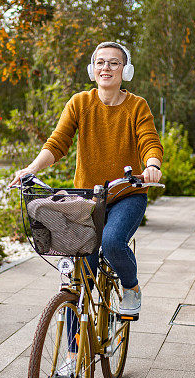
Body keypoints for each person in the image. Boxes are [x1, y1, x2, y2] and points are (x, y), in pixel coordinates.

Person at [9, 41, 163, 317]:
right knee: (77, 284)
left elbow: (148, 141)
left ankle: (131, 288)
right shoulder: (80, 103)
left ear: (125, 71)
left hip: (126, 195)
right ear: (92, 70)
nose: (107, 67)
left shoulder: (137, 106)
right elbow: (57, 143)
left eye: (114, 62)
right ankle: (71, 354)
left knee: (113, 241)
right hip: (88, 200)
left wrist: (152, 164)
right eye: (100, 62)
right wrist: (31, 170)